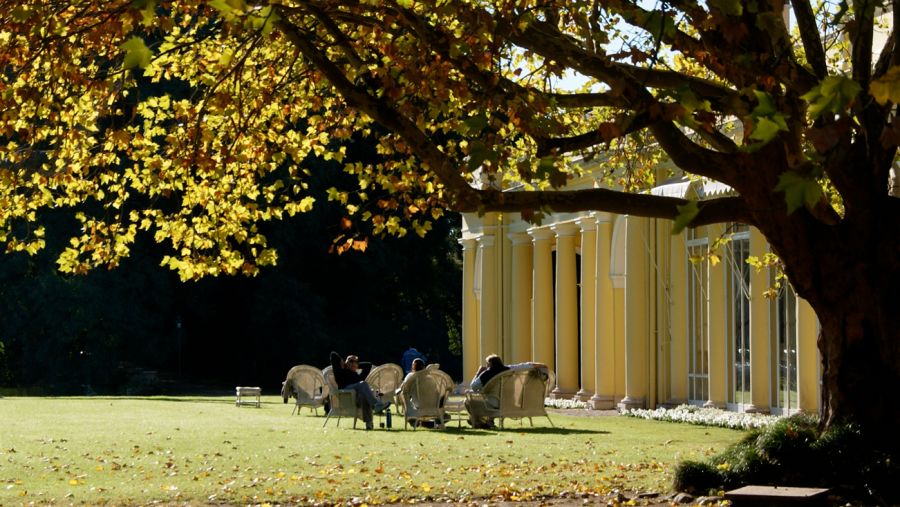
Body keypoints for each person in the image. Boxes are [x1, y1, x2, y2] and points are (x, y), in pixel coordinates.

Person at [465, 354, 548, 428]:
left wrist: (478, 372)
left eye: (487, 364)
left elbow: (473, 387)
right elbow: (524, 365)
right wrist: (541, 365)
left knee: (468, 401)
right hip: (509, 403)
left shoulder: (487, 373)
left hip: (493, 403)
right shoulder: (509, 369)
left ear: (489, 364)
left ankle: (480, 421)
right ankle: (487, 421)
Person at [330, 351, 391, 430]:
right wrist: (345, 364)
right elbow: (333, 355)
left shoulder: (358, 376)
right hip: (346, 395)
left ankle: (369, 424)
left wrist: (355, 365)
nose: (353, 363)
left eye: (356, 362)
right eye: (351, 361)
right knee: (363, 384)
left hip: (357, 398)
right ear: (345, 362)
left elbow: (368, 365)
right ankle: (376, 405)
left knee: (365, 395)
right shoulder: (341, 373)